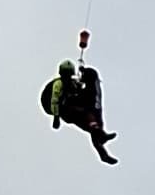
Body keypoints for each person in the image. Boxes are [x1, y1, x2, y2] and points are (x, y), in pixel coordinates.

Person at [39, 30, 116, 162]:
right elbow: (54, 101)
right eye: (66, 76)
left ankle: (103, 152)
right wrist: (56, 118)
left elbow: (79, 88)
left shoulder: (72, 83)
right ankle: (99, 135)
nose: (68, 78)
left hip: (69, 108)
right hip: (62, 109)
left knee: (91, 123)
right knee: (85, 114)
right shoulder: (59, 84)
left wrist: (83, 77)